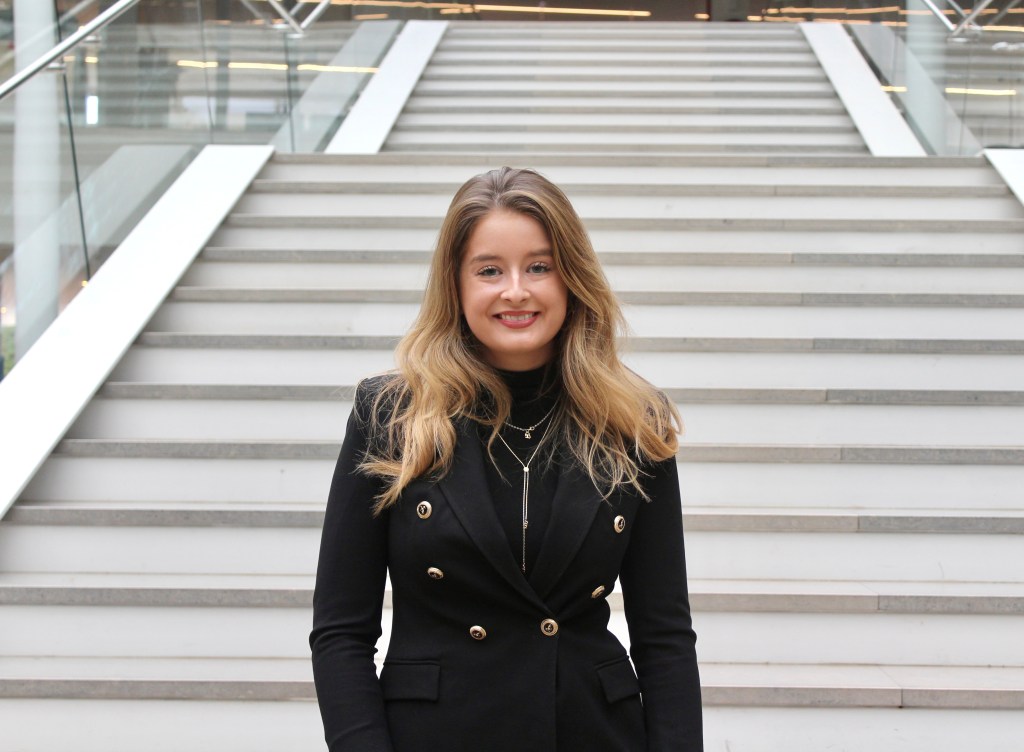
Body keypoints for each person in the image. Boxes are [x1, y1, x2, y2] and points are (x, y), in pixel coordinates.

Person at [310, 167, 703, 752]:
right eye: (489, 270)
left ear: (572, 277)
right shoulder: (391, 415)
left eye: (539, 267)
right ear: (456, 283)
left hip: (590, 733)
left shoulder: (632, 421)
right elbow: (341, 632)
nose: (515, 290)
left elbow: (665, 636)